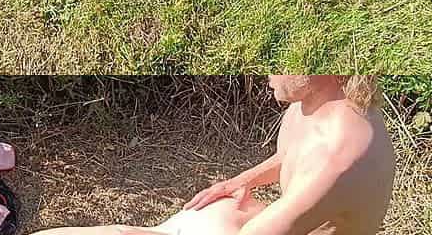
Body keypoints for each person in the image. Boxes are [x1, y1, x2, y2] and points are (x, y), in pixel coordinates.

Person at [28, 76, 396, 235]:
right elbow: (294, 155)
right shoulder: (316, 102)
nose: (267, 71)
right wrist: (241, 181)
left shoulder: (340, 159)